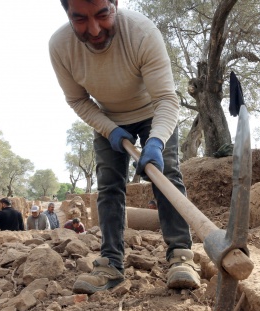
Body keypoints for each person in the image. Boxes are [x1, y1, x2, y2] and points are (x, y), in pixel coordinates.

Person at [51, 0, 200, 294]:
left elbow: (167, 101)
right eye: (80, 19)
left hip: (154, 112)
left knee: (167, 174)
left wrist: (155, 142)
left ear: (115, 4)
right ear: (67, 13)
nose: (93, 29)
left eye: (102, 15)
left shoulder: (142, 32)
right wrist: (110, 129)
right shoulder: (60, 46)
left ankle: (181, 256)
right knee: (108, 187)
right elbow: (78, 100)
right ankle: (110, 265)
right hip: (108, 118)